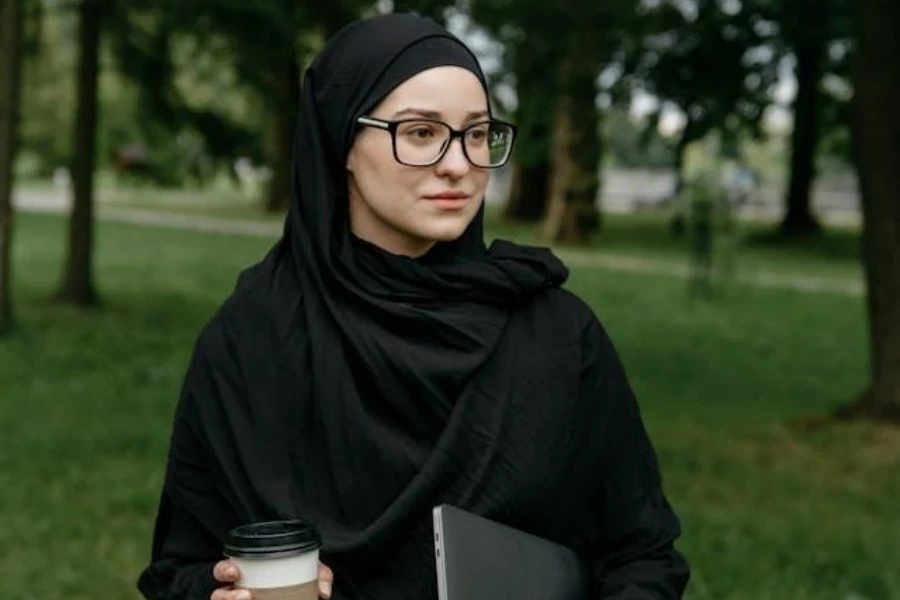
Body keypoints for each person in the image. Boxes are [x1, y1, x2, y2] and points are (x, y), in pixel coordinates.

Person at [137, 12, 690, 600]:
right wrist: (216, 593)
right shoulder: (252, 339)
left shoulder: (556, 335)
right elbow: (182, 569)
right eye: (421, 133)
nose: (459, 164)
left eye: (476, 134)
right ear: (341, 141)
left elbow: (642, 553)